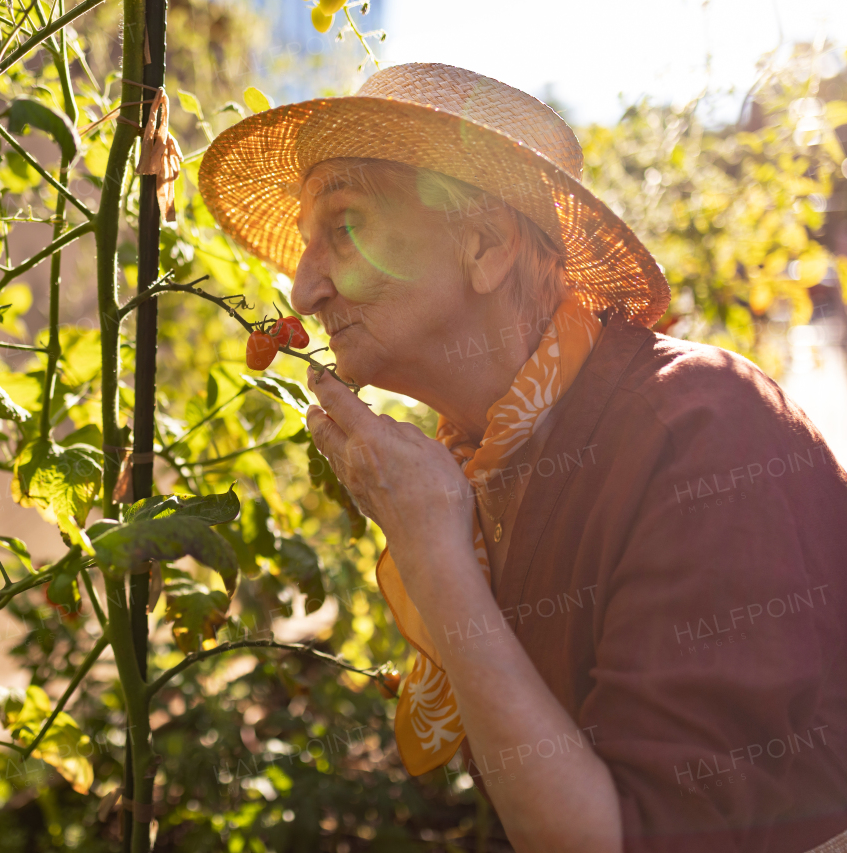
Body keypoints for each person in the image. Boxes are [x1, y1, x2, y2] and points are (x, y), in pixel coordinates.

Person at [197, 63, 847, 853]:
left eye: (346, 225)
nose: (301, 292)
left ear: (485, 244)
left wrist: (433, 551)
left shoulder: (699, 430)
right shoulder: (487, 459)